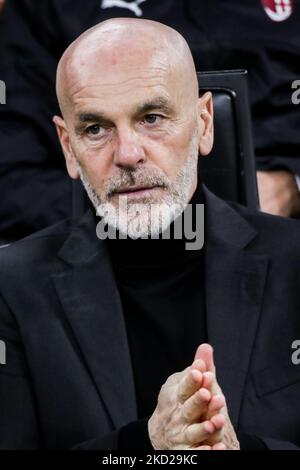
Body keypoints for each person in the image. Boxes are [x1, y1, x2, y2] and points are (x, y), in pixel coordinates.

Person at [0, 18, 300, 450]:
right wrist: (145, 448)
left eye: (152, 117)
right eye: (96, 129)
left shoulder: (295, 264)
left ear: (204, 122)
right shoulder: (10, 289)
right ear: (68, 147)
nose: (128, 154)